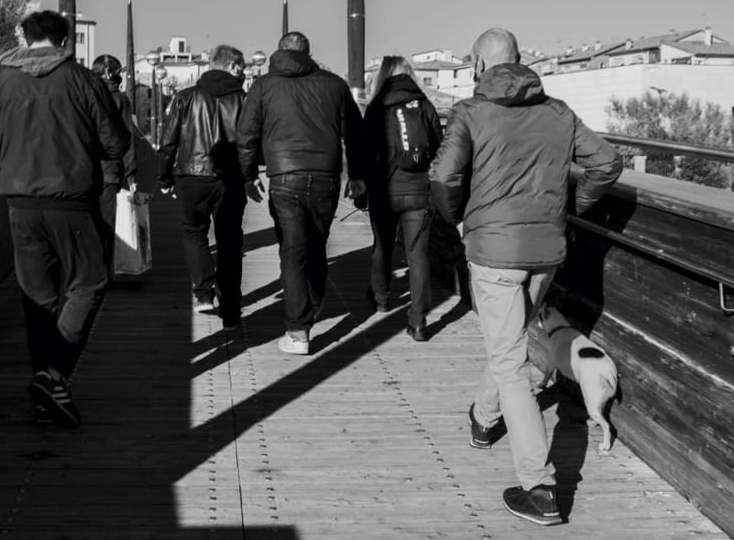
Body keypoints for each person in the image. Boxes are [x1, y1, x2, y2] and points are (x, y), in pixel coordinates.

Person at [430, 27, 622, 526]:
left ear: (477, 66)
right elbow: (607, 162)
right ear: (520, 62)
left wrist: (457, 217)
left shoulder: (470, 113)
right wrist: (571, 208)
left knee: (511, 361)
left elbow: (443, 176)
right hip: (546, 252)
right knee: (509, 345)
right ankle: (483, 418)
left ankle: (539, 489)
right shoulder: (557, 112)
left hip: (493, 254)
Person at [0, 10, 130, 428]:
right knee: (90, 281)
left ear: (24, 39)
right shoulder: (81, 80)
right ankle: (54, 373)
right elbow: (115, 143)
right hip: (70, 199)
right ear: (64, 41)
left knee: (37, 299)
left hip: (18, 203)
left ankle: (47, 392)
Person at [237, 31, 366, 355]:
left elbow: (247, 133)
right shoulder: (334, 84)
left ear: (279, 52)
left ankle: (298, 332)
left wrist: (248, 175)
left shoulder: (264, 86)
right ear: (308, 53)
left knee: (293, 252)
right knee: (317, 244)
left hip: (284, 177)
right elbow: (355, 133)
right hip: (325, 177)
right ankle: (314, 304)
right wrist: (358, 175)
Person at [157, 44, 248, 329]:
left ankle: (204, 292)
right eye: (243, 68)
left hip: (191, 176)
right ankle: (231, 310)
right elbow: (253, 140)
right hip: (230, 178)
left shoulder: (185, 97)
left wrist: (164, 177)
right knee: (230, 239)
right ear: (233, 66)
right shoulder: (244, 100)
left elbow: (169, 141)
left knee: (193, 231)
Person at [361, 55, 443, 341]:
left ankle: (382, 299)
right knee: (418, 255)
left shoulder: (376, 107)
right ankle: (418, 322)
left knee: (382, 244)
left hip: (385, 190)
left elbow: (364, 151)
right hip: (419, 192)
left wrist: (364, 185)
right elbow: (439, 147)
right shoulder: (423, 105)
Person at [91, 54, 139, 277]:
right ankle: (103, 275)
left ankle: (88, 273)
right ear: (109, 72)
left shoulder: (85, 95)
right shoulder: (119, 99)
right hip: (110, 171)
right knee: (107, 225)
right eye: (118, 71)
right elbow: (127, 138)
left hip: (83, 170)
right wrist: (131, 176)